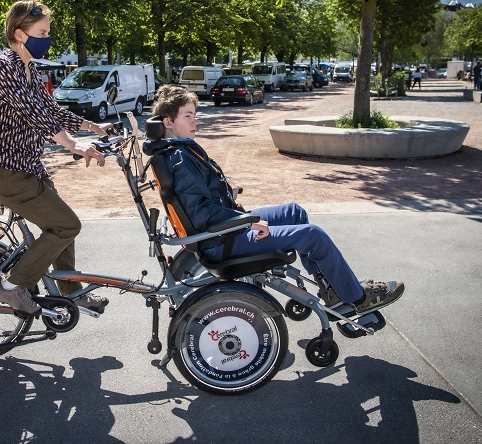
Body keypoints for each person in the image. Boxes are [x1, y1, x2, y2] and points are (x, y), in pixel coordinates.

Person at [145, 85, 405, 315]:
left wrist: (226, 186)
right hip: (222, 239)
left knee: (294, 212)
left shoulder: (177, 151)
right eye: (188, 116)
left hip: (224, 230)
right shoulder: (179, 158)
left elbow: (201, 195)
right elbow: (201, 213)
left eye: (194, 114)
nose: (195, 121)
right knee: (313, 235)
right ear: (168, 121)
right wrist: (247, 223)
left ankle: (333, 291)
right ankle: (356, 298)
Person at [0, 0, 110, 315]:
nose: (47, 39)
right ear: (20, 34)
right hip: (3, 170)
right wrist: (72, 145)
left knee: (60, 222)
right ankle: (12, 285)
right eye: (42, 32)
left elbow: (50, 108)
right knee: (66, 225)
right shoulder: (3, 67)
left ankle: (70, 292)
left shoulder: (30, 70)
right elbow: (33, 112)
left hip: (28, 168)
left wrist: (92, 126)